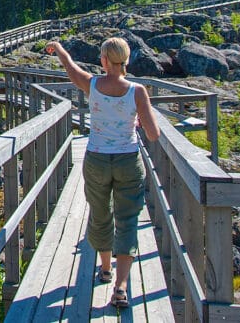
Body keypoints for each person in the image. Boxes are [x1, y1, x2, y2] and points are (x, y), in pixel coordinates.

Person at [45, 37, 160, 309]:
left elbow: (71, 69)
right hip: (127, 161)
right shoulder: (138, 91)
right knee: (128, 218)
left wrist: (60, 49)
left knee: (100, 214)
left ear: (104, 61)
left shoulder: (93, 85)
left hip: (96, 159)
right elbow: (153, 135)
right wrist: (139, 120)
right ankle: (121, 286)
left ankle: (105, 268)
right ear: (127, 60)